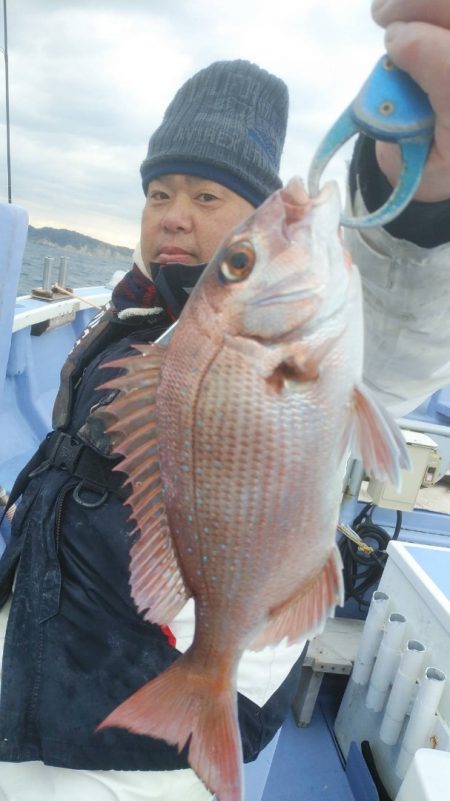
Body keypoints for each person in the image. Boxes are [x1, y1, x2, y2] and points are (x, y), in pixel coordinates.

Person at [0, 0, 449, 798]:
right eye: (160, 192)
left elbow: (398, 333)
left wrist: (418, 208)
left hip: (146, 746)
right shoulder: (128, 313)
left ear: (251, 214)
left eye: (210, 201)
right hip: (34, 682)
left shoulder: (312, 339)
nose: (175, 214)